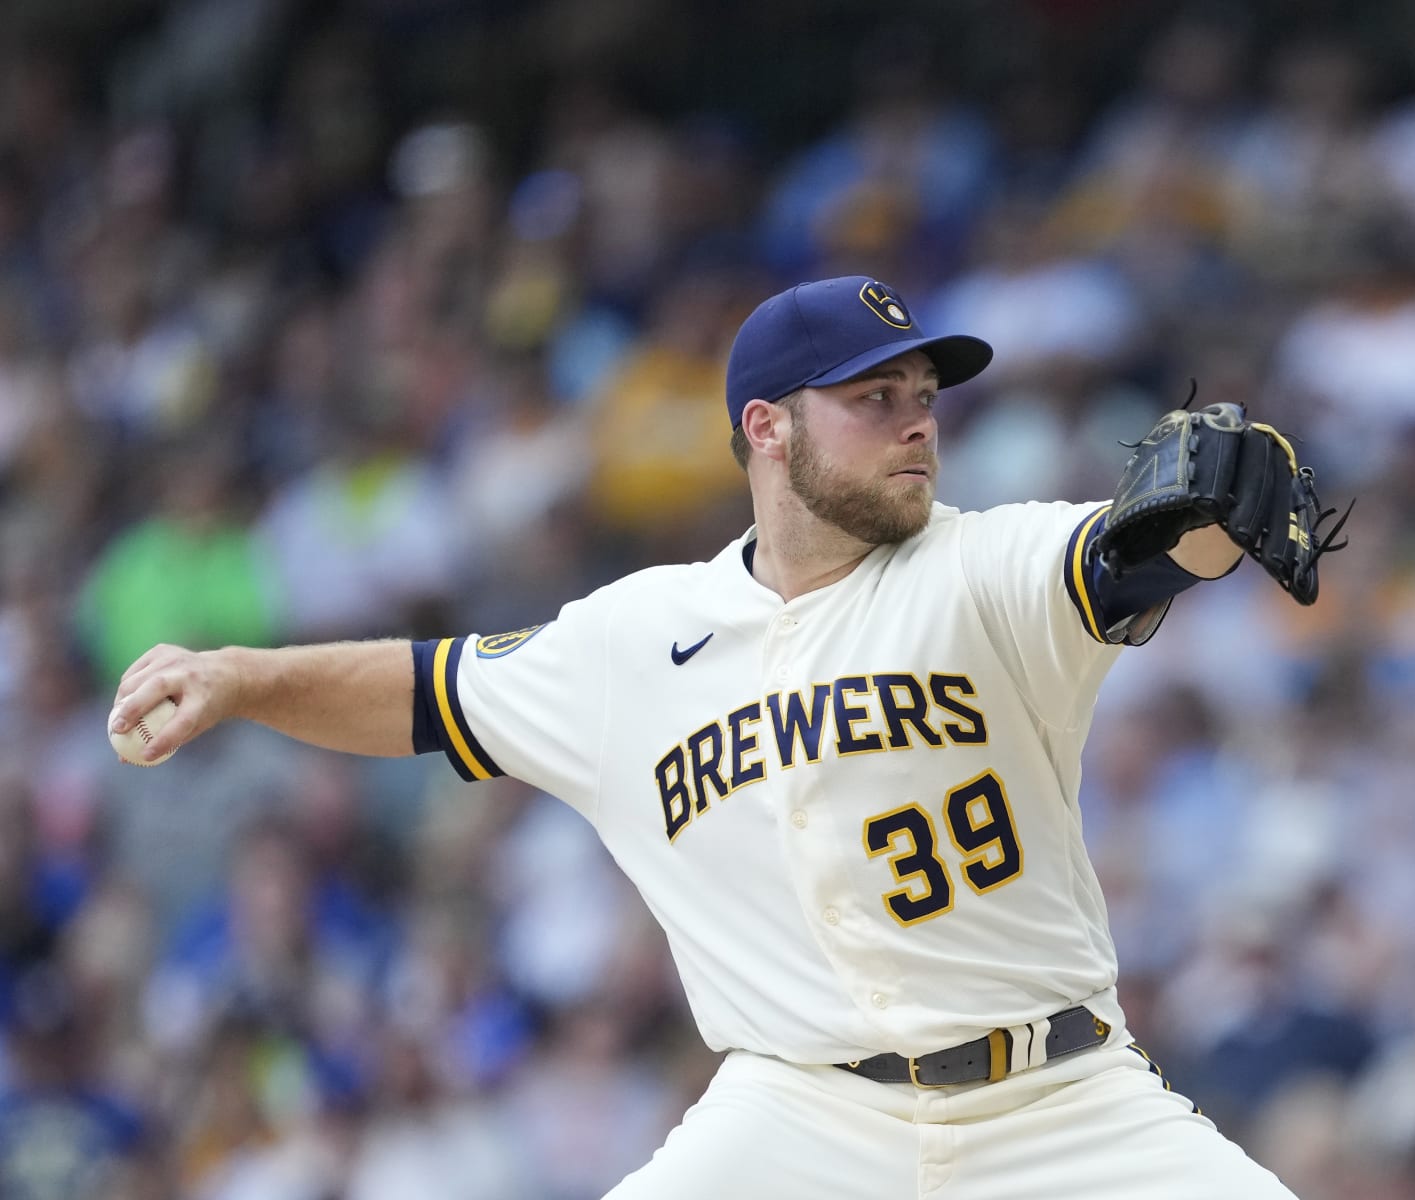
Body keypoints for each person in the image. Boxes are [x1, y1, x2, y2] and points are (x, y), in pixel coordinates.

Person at [110, 275, 1310, 1198]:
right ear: (768, 428)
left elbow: (1124, 555)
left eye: (924, 399)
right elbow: (425, 693)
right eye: (872, 399)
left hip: (1064, 1104)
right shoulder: (633, 639)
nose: (915, 428)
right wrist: (244, 676)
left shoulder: (981, 566)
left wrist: (1208, 524)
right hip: (801, 1120)